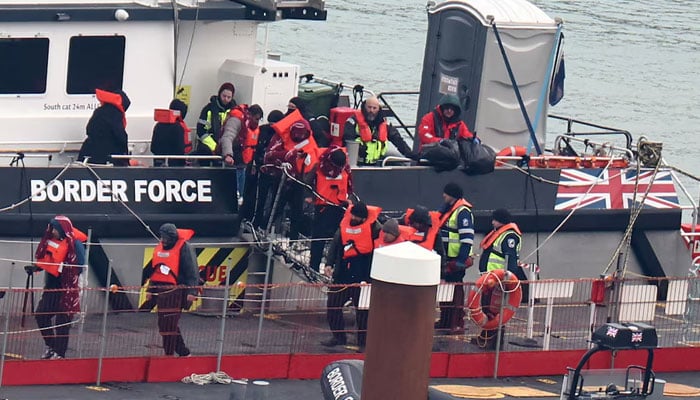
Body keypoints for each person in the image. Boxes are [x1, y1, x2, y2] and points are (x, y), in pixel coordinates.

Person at [321, 202, 382, 350]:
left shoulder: (375, 229)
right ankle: (338, 336)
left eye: (357, 216)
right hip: (342, 274)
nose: (353, 217)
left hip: (363, 276)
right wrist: (329, 264)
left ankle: (363, 342)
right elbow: (335, 245)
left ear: (363, 218)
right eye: (353, 214)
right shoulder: (344, 226)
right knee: (333, 306)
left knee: (362, 312)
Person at [34, 216, 87, 359]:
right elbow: (47, 260)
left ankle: (60, 353)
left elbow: (80, 267)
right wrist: (37, 267)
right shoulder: (50, 241)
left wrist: (63, 269)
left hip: (68, 286)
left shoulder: (75, 244)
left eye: (55, 229)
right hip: (51, 286)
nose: (52, 232)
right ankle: (51, 345)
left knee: (62, 321)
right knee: (41, 315)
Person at [145, 223, 198, 357]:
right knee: (164, 325)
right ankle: (182, 352)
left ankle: (171, 353)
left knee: (170, 324)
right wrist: (150, 289)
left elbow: (192, 272)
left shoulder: (184, 248)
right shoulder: (159, 249)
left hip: (177, 292)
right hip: (161, 292)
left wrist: (192, 292)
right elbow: (155, 271)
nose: (164, 240)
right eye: (162, 237)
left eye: (166, 237)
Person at [475, 208, 522, 350]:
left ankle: (494, 340)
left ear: (500, 220)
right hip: (490, 278)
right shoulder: (498, 233)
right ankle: (485, 336)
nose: (492, 221)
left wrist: (505, 278)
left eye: (494, 219)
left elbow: (511, 259)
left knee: (494, 309)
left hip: (498, 280)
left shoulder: (510, 236)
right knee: (486, 306)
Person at [436, 183, 474, 335]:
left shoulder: (462, 212)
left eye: (446, 193)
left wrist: (461, 259)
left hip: (456, 258)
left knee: (456, 290)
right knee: (446, 289)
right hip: (447, 257)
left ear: (452, 194)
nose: (443, 196)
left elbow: (467, 238)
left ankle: (457, 322)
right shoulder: (449, 209)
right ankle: (445, 321)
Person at [308, 146, 352, 272]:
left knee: (339, 239)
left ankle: (335, 268)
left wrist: (348, 198)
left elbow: (349, 185)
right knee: (318, 239)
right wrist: (310, 196)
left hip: (340, 206)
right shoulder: (318, 167)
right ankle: (314, 268)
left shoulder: (345, 168)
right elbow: (307, 181)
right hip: (323, 207)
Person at [343, 96, 417, 165]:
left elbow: (398, 140)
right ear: (364, 107)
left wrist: (411, 154)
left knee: (402, 163)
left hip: (376, 162)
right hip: (357, 162)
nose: (371, 110)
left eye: (374, 108)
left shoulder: (384, 124)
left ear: (378, 109)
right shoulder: (353, 121)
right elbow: (346, 140)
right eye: (369, 107)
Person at [219, 104, 264, 203]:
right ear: (250, 115)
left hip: (242, 163)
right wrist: (228, 155)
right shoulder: (236, 120)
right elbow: (227, 137)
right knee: (231, 193)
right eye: (256, 119)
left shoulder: (250, 125)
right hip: (231, 161)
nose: (257, 122)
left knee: (240, 195)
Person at [250, 110, 285, 229]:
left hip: (277, 172)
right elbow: (256, 148)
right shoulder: (262, 130)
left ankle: (267, 225)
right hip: (263, 169)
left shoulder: (284, 134)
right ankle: (256, 222)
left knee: (275, 200)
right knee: (260, 198)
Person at [77, 88, 131, 165]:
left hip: (88, 152)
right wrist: (126, 158)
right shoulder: (116, 114)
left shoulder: (98, 111)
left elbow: (89, 129)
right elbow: (121, 136)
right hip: (106, 156)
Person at [193, 82, 236, 164]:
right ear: (219, 94)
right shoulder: (208, 109)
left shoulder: (234, 111)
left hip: (226, 148)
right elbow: (201, 131)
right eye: (224, 96)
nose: (226, 99)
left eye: (229, 97)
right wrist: (214, 146)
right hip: (207, 148)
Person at [150, 99, 190, 167]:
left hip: (158, 165)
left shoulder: (158, 125)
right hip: (176, 168)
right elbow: (180, 150)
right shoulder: (179, 128)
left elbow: (153, 148)